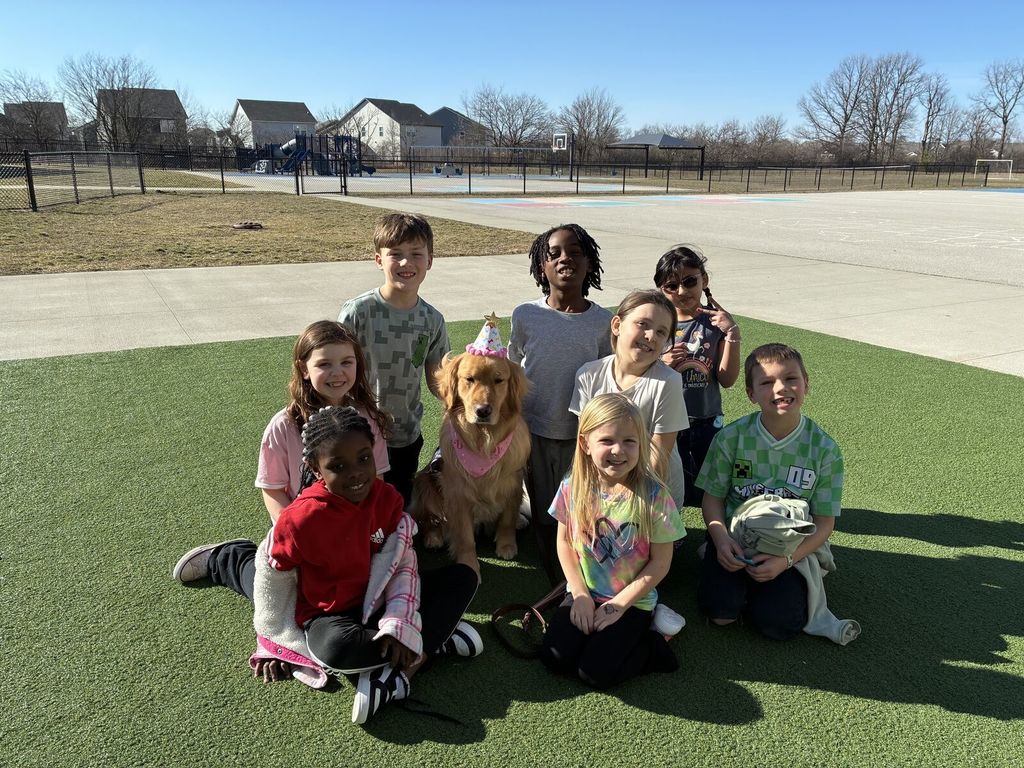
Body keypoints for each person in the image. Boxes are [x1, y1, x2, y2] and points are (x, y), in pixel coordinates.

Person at [174, 407, 481, 725]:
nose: (357, 474)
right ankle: (229, 556)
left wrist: (398, 624)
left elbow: (404, 566)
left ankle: (402, 671)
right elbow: (273, 579)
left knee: (464, 578)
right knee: (335, 650)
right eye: (338, 466)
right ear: (315, 468)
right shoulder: (300, 520)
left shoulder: (387, 499)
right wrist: (273, 641)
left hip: (374, 600)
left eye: (364, 458)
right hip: (329, 613)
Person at [695, 343, 845, 640]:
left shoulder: (825, 449)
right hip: (735, 538)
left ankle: (770, 587)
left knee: (779, 625)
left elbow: (825, 523)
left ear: (806, 384)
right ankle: (717, 563)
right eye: (766, 382)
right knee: (721, 613)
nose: (781, 388)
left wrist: (786, 561)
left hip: (787, 545)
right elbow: (712, 500)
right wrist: (722, 541)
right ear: (751, 394)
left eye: (791, 378)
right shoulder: (731, 438)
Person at [541, 393, 685, 689]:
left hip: (632, 601)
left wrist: (618, 605)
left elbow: (661, 563)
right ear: (585, 443)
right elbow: (565, 544)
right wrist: (579, 594)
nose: (618, 450)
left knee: (594, 673)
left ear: (641, 443)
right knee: (555, 658)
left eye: (629, 441)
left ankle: (654, 644)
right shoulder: (573, 486)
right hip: (585, 592)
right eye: (607, 440)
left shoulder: (655, 496)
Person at [508, 223, 612, 583]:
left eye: (575, 252)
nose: (564, 258)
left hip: (580, 434)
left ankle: (579, 572)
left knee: (578, 508)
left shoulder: (603, 321)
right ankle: (550, 572)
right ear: (541, 267)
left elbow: (608, 375)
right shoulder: (525, 315)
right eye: (553, 253)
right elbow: (511, 367)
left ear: (589, 264)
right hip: (532, 430)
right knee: (541, 509)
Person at [338, 213, 449, 506]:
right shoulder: (358, 312)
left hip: (405, 435)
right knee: (355, 506)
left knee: (395, 508)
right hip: (357, 433)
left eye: (416, 254)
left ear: (430, 260)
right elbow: (336, 370)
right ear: (378, 260)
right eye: (395, 255)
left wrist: (463, 385)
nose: (405, 263)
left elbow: (439, 381)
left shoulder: (432, 320)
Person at [257, 320, 390, 522]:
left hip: (355, 524)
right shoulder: (283, 426)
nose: (337, 372)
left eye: (346, 362)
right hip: (306, 526)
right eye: (324, 364)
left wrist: (366, 524)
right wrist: (293, 529)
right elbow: (272, 489)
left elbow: (376, 480)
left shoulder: (368, 419)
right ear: (304, 369)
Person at [570, 289, 689, 513]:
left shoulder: (668, 382)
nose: (651, 335)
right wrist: (592, 496)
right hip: (602, 488)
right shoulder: (588, 375)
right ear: (616, 325)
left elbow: (659, 457)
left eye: (662, 332)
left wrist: (626, 508)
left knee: (645, 548)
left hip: (653, 496)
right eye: (643, 324)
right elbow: (584, 444)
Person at [654, 244, 741, 507]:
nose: (682, 291)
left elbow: (727, 380)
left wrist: (733, 334)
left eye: (690, 281)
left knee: (711, 487)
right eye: (671, 285)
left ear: (704, 280)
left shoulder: (717, 324)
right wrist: (662, 363)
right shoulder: (657, 325)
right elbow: (639, 374)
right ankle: (670, 534)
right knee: (669, 483)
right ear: (661, 289)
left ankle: (714, 542)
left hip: (706, 420)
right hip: (667, 421)